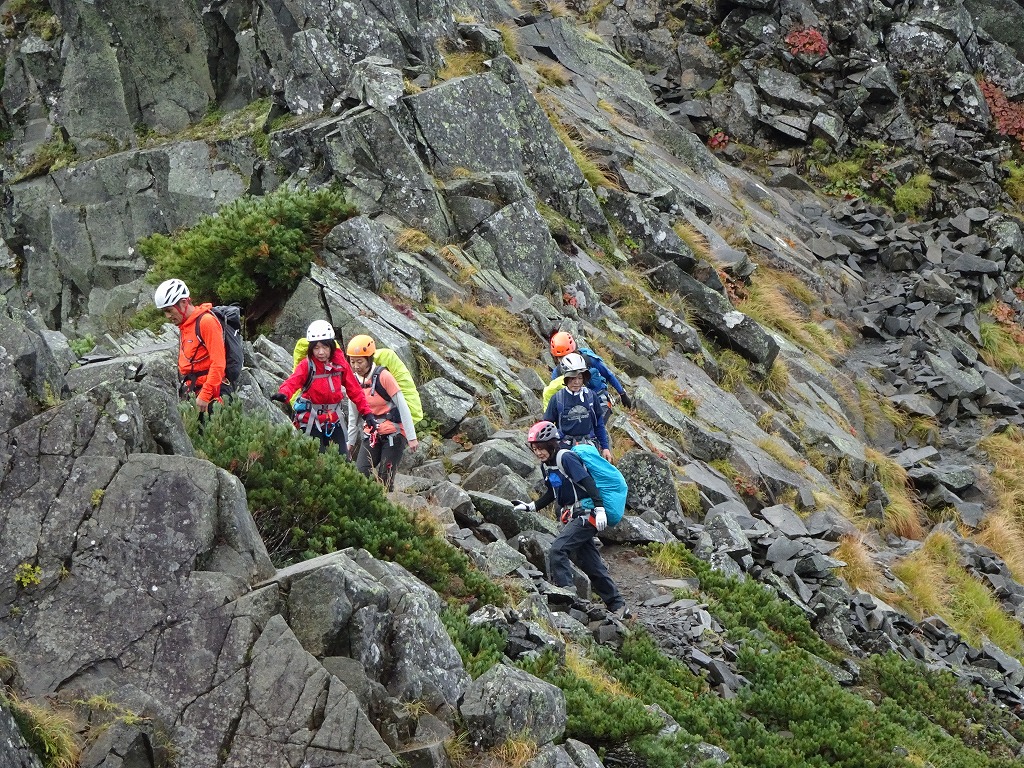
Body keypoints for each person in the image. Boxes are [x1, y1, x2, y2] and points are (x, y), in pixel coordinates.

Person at [513, 421, 627, 617]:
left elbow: (588, 483)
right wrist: (531, 506)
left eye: (541, 447)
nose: (538, 452)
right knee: (591, 563)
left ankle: (567, 595)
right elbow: (552, 492)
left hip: (586, 514)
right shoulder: (547, 466)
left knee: (558, 550)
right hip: (573, 515)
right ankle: (618, 605)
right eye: (534, 449)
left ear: (551, 444)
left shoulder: (566, 458)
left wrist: (600, 509)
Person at [270, 320, 377, 454]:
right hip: (310, 421)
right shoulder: (307, 365)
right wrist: (284, 393)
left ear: (331, 346)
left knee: (343, 460)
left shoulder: (340, 365)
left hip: (333, 421)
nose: (321, 352)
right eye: (316, 348)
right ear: (311, 349)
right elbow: (293, 381)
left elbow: (355, 390)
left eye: (325, 347)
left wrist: (367, 414)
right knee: (317, 459)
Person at [345, 334, 419, 491]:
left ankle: (387, 502)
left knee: (385, 478)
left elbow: (403, 406)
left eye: (360, 361)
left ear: (369, 359)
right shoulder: (353, 382)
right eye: (352, 362)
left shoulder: (384, 376)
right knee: (360, 474)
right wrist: (349, 443)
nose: (356, 366)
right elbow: (353, 417)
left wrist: (411, 437)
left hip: (394, 433)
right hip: (371, 434)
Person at [154, 278, 230, 413]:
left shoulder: (206, 322)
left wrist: (205, 395)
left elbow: (218, 363)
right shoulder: (185, 325)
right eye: (164, 311)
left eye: (169, 310)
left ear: (184, 302)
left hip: (212, 396)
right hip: (194, 392)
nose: (167, 316)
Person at [543, 353, 612, 461]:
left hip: (589, 446)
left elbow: (599, 424)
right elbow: (547, 426)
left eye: (580, 378)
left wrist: (605, 447)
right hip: (565, 449)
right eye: (572, 378)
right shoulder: (557, 399)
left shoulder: (591, 396)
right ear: (566, 378)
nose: (577, 382)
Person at [549, 330, 631, 420]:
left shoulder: (588, 359)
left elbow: (608, 375)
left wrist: (622, 394)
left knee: (597, 424)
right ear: (556, 358)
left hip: (600, 400)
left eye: (568, 355)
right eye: (561, 357)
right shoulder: (557, 373)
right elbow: (555, 398)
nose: (566, 359)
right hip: (576, 409)